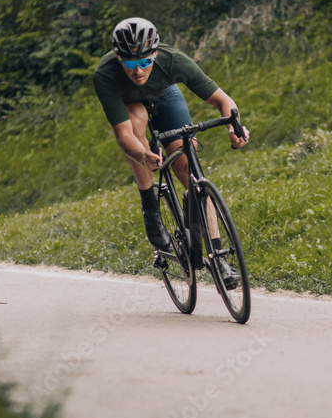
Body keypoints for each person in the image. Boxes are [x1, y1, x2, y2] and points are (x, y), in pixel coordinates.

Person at [92, 17, 250, 288]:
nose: (138, 70)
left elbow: (222, 100)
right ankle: (150, 207)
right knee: (137, 123)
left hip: (165, 95)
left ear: (154, 53)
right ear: (119, 59)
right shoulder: (105, 75)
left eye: (144, 61)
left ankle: (220, 256)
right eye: (130, 63)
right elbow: (124, 135)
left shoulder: (173, 60)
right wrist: (143, 155)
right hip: (132, 105)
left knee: (189, 172)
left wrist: (234, 127)